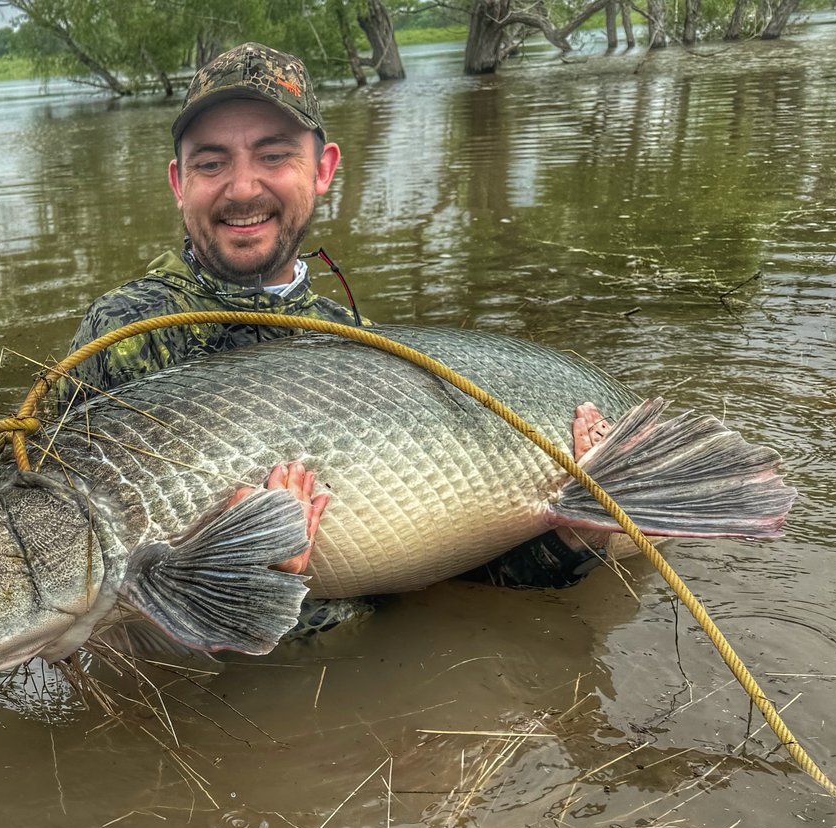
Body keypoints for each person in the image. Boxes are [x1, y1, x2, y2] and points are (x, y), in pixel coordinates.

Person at [56, 42, 609, 607]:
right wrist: (244, 589)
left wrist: (575, 536)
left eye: (273, 156)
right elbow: (82, 594)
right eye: (211, 162)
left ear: (322, 170)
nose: (243, 187)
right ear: (179, 182)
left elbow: (459, 586)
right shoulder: (120, 333)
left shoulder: (352, 340)